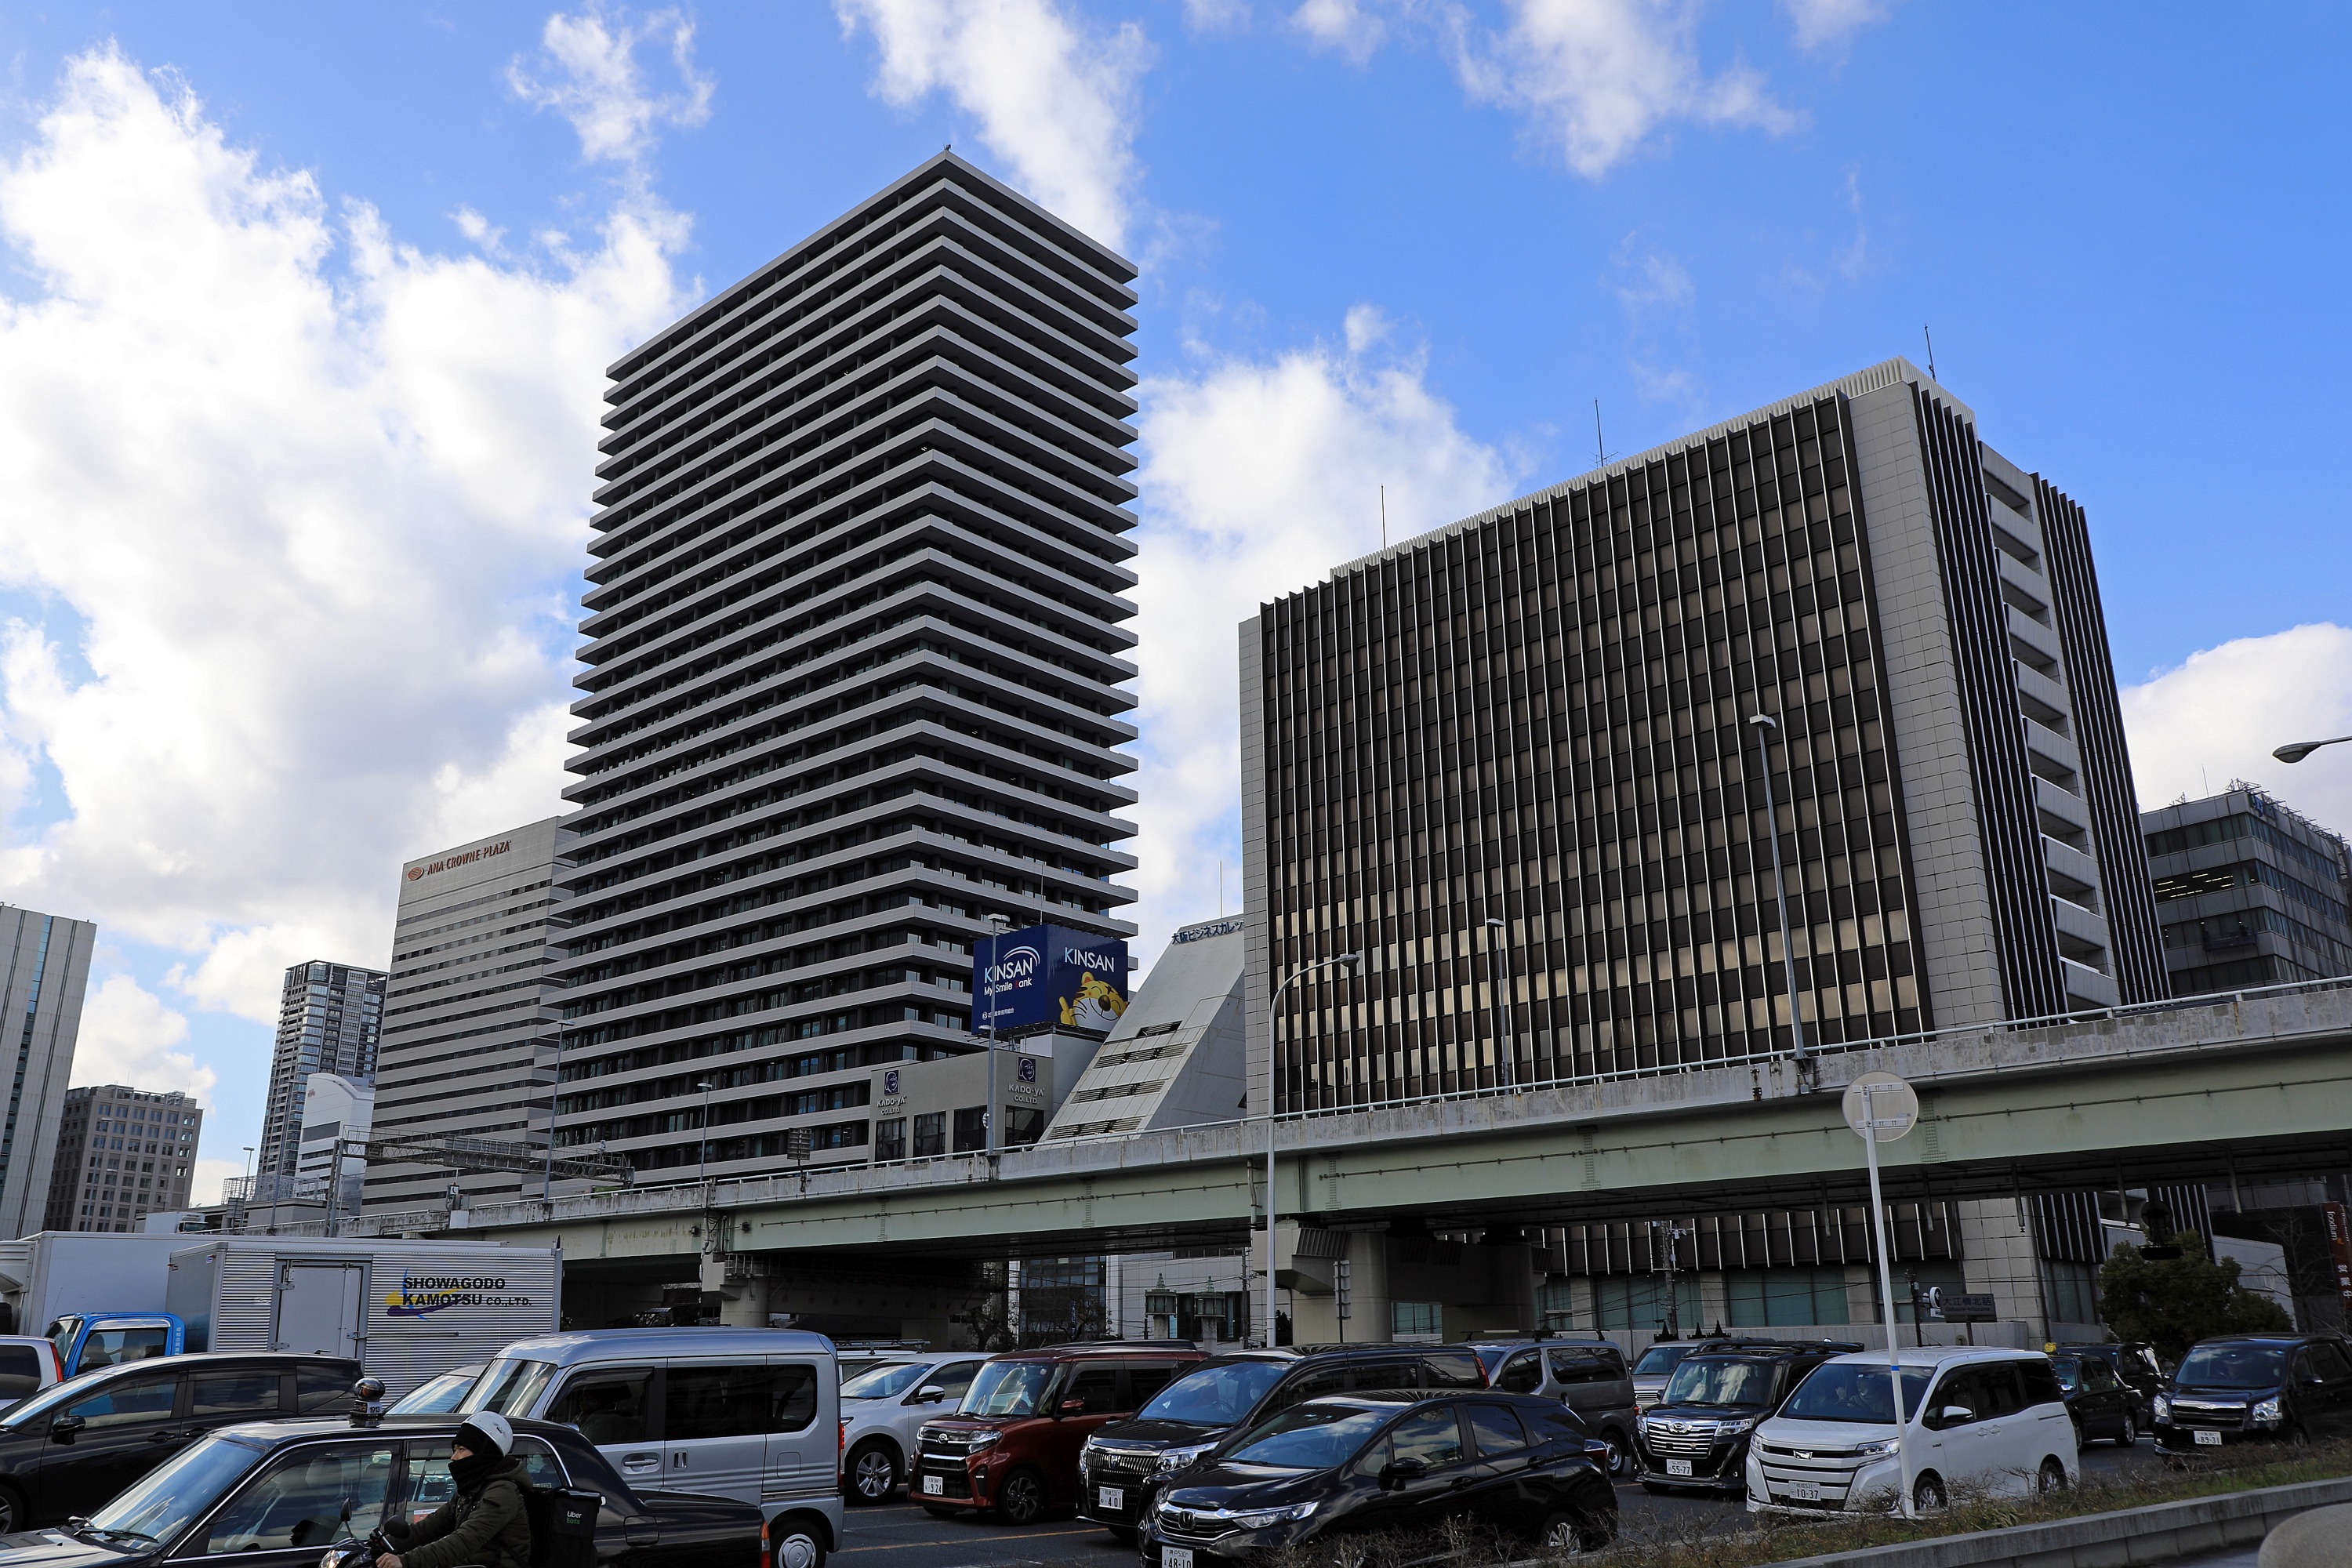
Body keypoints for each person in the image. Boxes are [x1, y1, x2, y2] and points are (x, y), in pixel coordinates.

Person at [378, 1414, 531, 1568]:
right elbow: (428, 1529)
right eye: (454, 1450)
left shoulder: (503, 1492)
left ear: (483, 1452)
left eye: (461, 1450)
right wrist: (383, 1544)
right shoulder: (470, 1490)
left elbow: (465, 1540)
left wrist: (406, 1561)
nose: (454, 1457)